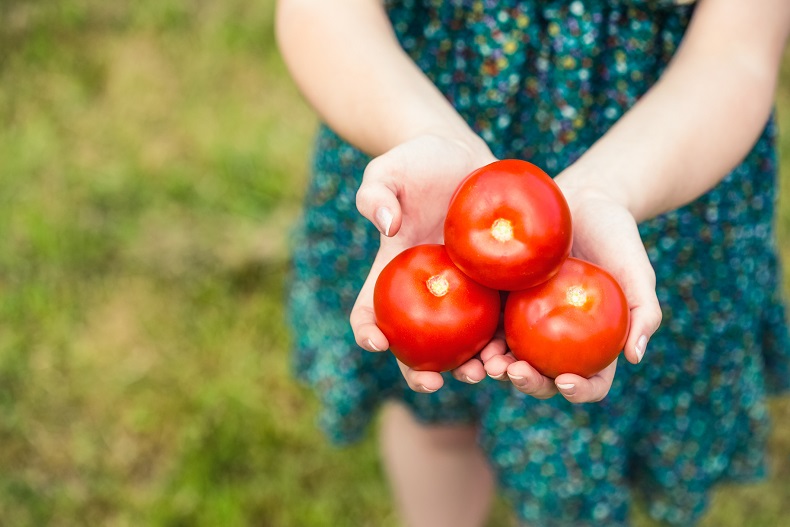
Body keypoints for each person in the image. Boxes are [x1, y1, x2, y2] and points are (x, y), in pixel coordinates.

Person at [277, 0, 790, 525]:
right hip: (417, 142)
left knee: (589, 445)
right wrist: (428, 135)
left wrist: (608, 190)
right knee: (434, 423)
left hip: (659, 171)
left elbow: (737, 56)